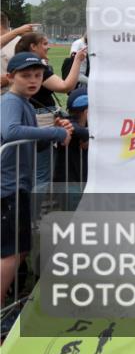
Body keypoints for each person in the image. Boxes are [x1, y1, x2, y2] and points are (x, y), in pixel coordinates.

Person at [1, 52, 73, 332]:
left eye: (38, 76)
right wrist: (54, 135)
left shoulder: (25, 103)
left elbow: (32, 144)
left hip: (16, 185)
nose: (33, 81)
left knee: (17, 251)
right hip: (7, 187)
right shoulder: (11, 101)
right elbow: (10, 132)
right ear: (11, 77)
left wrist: (59, 130)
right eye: (26, 75)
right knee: (11, 253)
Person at [13, 33, 86, 186]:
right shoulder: (36, 67)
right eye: (45, 43)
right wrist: (77, 60)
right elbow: (65, 86)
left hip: (36, 117)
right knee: (41, 175)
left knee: (37, 172)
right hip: (43, 119)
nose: (49, 46)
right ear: (33, 47)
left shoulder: (25, 65)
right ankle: (36, 208)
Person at [53, 86, 89, 189]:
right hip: (69, 185)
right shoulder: (68, 125)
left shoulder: (76, 126)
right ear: (87, 112)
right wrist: (86, 137)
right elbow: (74, 127)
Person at [0, 15, 37, 95]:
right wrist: (18, 31)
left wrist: (9, 78)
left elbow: (36, 69)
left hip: (15, 96)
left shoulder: (21, 42)